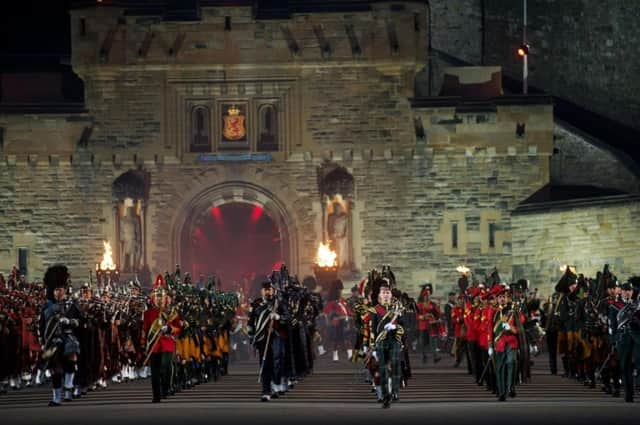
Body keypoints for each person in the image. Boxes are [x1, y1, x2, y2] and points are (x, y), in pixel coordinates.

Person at [39, 265, 82, 406]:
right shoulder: (47, 306)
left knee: (71, 358)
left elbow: (81, 321)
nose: (58, 292)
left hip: (68, 337)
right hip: (52, 340)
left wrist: (69, 321)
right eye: (55, 289)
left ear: (65, 290)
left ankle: (69, 386)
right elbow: (42, 325)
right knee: (54, 370)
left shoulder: (71, 304)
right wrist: (42, 341)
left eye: (60, 289)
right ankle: (56, 397)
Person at [142, 274, 181, 403]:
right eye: (157, 297)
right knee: (155, 372)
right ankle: (156, 395)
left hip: (167, 343)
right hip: (153, 345)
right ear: (153, 299)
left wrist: (169, 329)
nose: (159, 300)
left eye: (162, 297)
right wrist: (144, 346)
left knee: (165, 367)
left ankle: (166, 388)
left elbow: (178, 328)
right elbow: (145, 331)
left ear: (166, 299)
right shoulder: (148, 313)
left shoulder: (171, 312)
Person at [370, 278, 405, 408]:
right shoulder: (375, 310)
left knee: (395, 367)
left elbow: (404, 326)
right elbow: (373, 329)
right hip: (381, 342)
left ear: (391, 294)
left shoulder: (398, 309)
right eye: (383, 292)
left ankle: (395, 391)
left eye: (388, 292)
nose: (386, 294)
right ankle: (386, 397)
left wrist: (395, 328)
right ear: (379, 295)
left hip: (395, 341)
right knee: (383, 369)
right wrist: (373, 346)